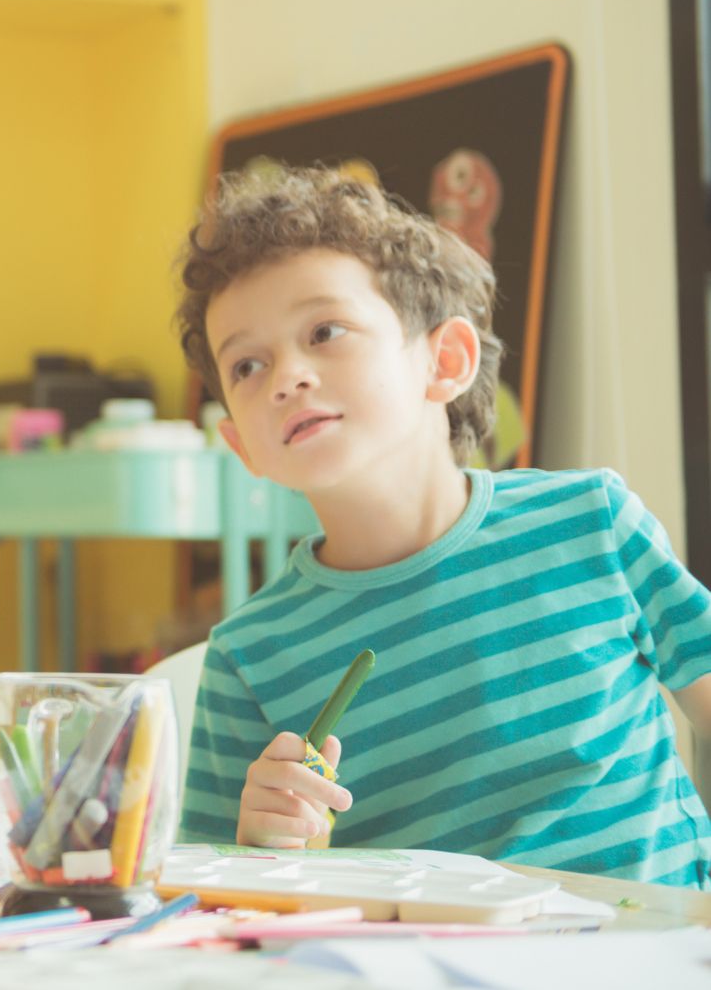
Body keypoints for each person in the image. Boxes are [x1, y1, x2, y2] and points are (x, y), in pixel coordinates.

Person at [174, 165, 711, 887]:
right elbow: (212, 893)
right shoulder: (247, 656)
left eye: (324, 330)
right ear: (241, 445)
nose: (285, 376)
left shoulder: (591, 522)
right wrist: (263, 842)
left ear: (445, 359)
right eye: (246, 364)